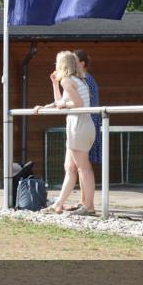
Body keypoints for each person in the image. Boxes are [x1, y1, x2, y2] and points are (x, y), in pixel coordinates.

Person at [34, 51, 96, 216]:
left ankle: (89, 206)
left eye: (57, 62)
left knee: (83, 168)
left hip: (79, 125)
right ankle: (58, 205)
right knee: (70, 167)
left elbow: (77, 103)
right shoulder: (74, 80)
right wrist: (54, 86)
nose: (55, 66)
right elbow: (63, 101)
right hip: (80, 125)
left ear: (63, 65)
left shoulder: (68, 80)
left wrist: (60, 105)